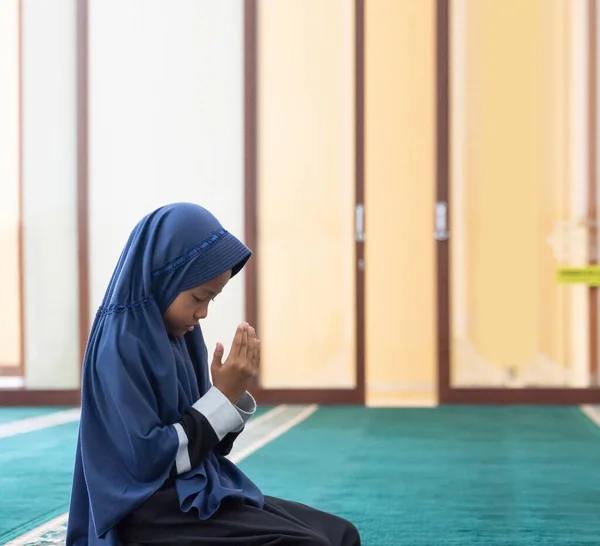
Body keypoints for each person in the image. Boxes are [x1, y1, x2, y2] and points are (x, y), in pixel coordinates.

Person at [66, 202, 361, 545]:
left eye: (212, 300)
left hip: (195, 492)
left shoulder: (179, 334)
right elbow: (147, 463)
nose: (202, 313)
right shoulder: (119, 345)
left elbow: (206, 447)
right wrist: (220, 398)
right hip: (147, 513)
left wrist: (229, 397)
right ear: (165, 277)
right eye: (198, 298)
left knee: (340, 534)